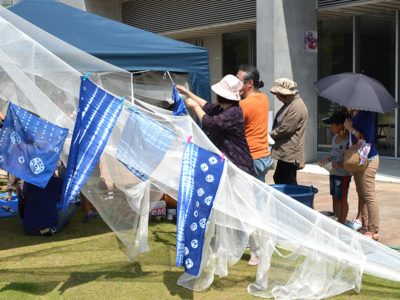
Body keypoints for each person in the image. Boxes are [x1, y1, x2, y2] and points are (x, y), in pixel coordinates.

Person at [176, 75, 254, 175]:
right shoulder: (225, 108)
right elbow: (207, 106)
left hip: (238, 167)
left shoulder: (233, 113)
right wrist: (187, 93)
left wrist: (195, 106)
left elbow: (210, 123)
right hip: (231, 164)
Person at [344, 109, 379, 240]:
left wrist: (350, 128)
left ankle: (374, 230)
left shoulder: (367, 114)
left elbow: (366, 139)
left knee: (369, 195)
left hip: (369, 160)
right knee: (361, 193)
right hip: (358, 159)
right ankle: (364, 226)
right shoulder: (353, 114)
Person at [236, 65, 272, 182]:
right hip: (263, 156)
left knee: (246, 198)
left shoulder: (244, 104)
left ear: (249, 83)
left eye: (238, 80)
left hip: (251, 158)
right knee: (258, 196)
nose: (235, 83)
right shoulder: (263, 97)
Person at [269, 78, 308, 185]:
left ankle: (293, 201)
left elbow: (286, 129)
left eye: (278, 94)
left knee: (288, 182)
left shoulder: (296, 106)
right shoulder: (290, 104)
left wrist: (269, 135)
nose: (277, 97)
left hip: (290, 154)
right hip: (286, 152)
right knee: (279, 177)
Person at [319, 111, 352, 224]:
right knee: (334, 197)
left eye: (332, 125)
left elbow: (350, 159)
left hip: (343, 175)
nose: (331, 127)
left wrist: (339, 164)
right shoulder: (335, 137)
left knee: (342, 198)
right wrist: (327, 159)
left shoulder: (348, 141)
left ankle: (341, 222)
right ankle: (336, 219)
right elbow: (334, 154)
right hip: (333, 173)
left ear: (340, 125)